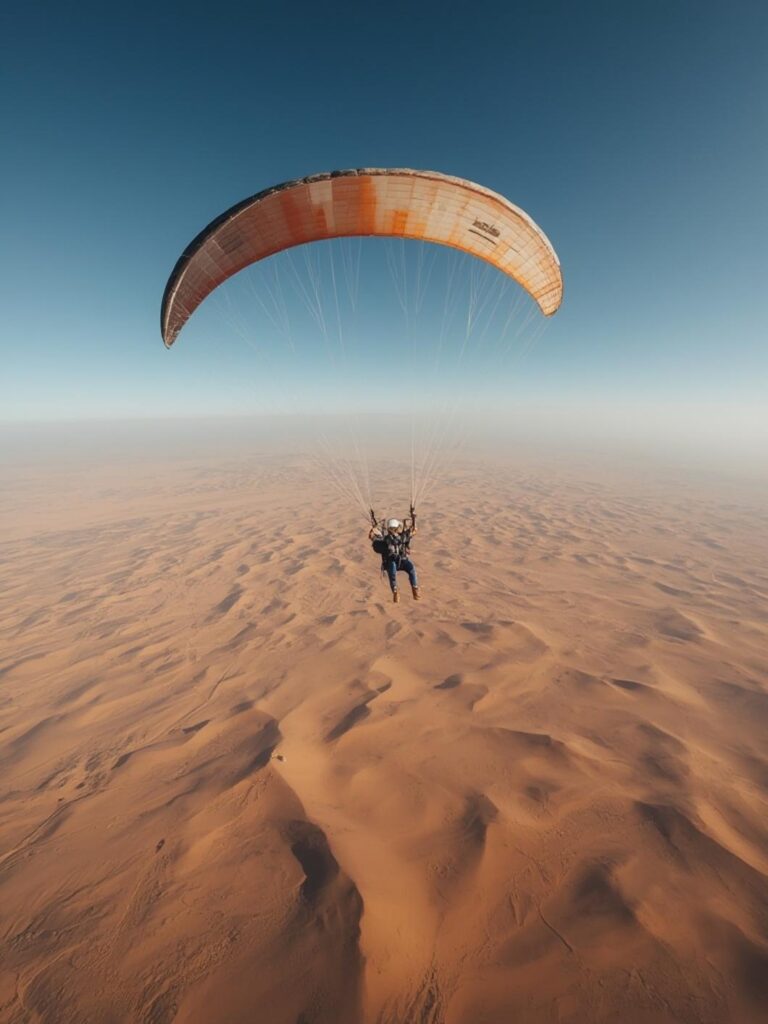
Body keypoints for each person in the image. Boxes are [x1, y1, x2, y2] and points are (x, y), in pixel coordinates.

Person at [369, 512, 420, 604]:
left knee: (412, 569)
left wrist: (414, 519)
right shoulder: (385, 540)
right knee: (393, 572)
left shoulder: (403, 537)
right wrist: (413, 519)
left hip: (403, 560)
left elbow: (414, 530)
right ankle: (395, 592)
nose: (393, 530)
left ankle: (415, 588)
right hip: (392, 561)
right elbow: (414, 530)